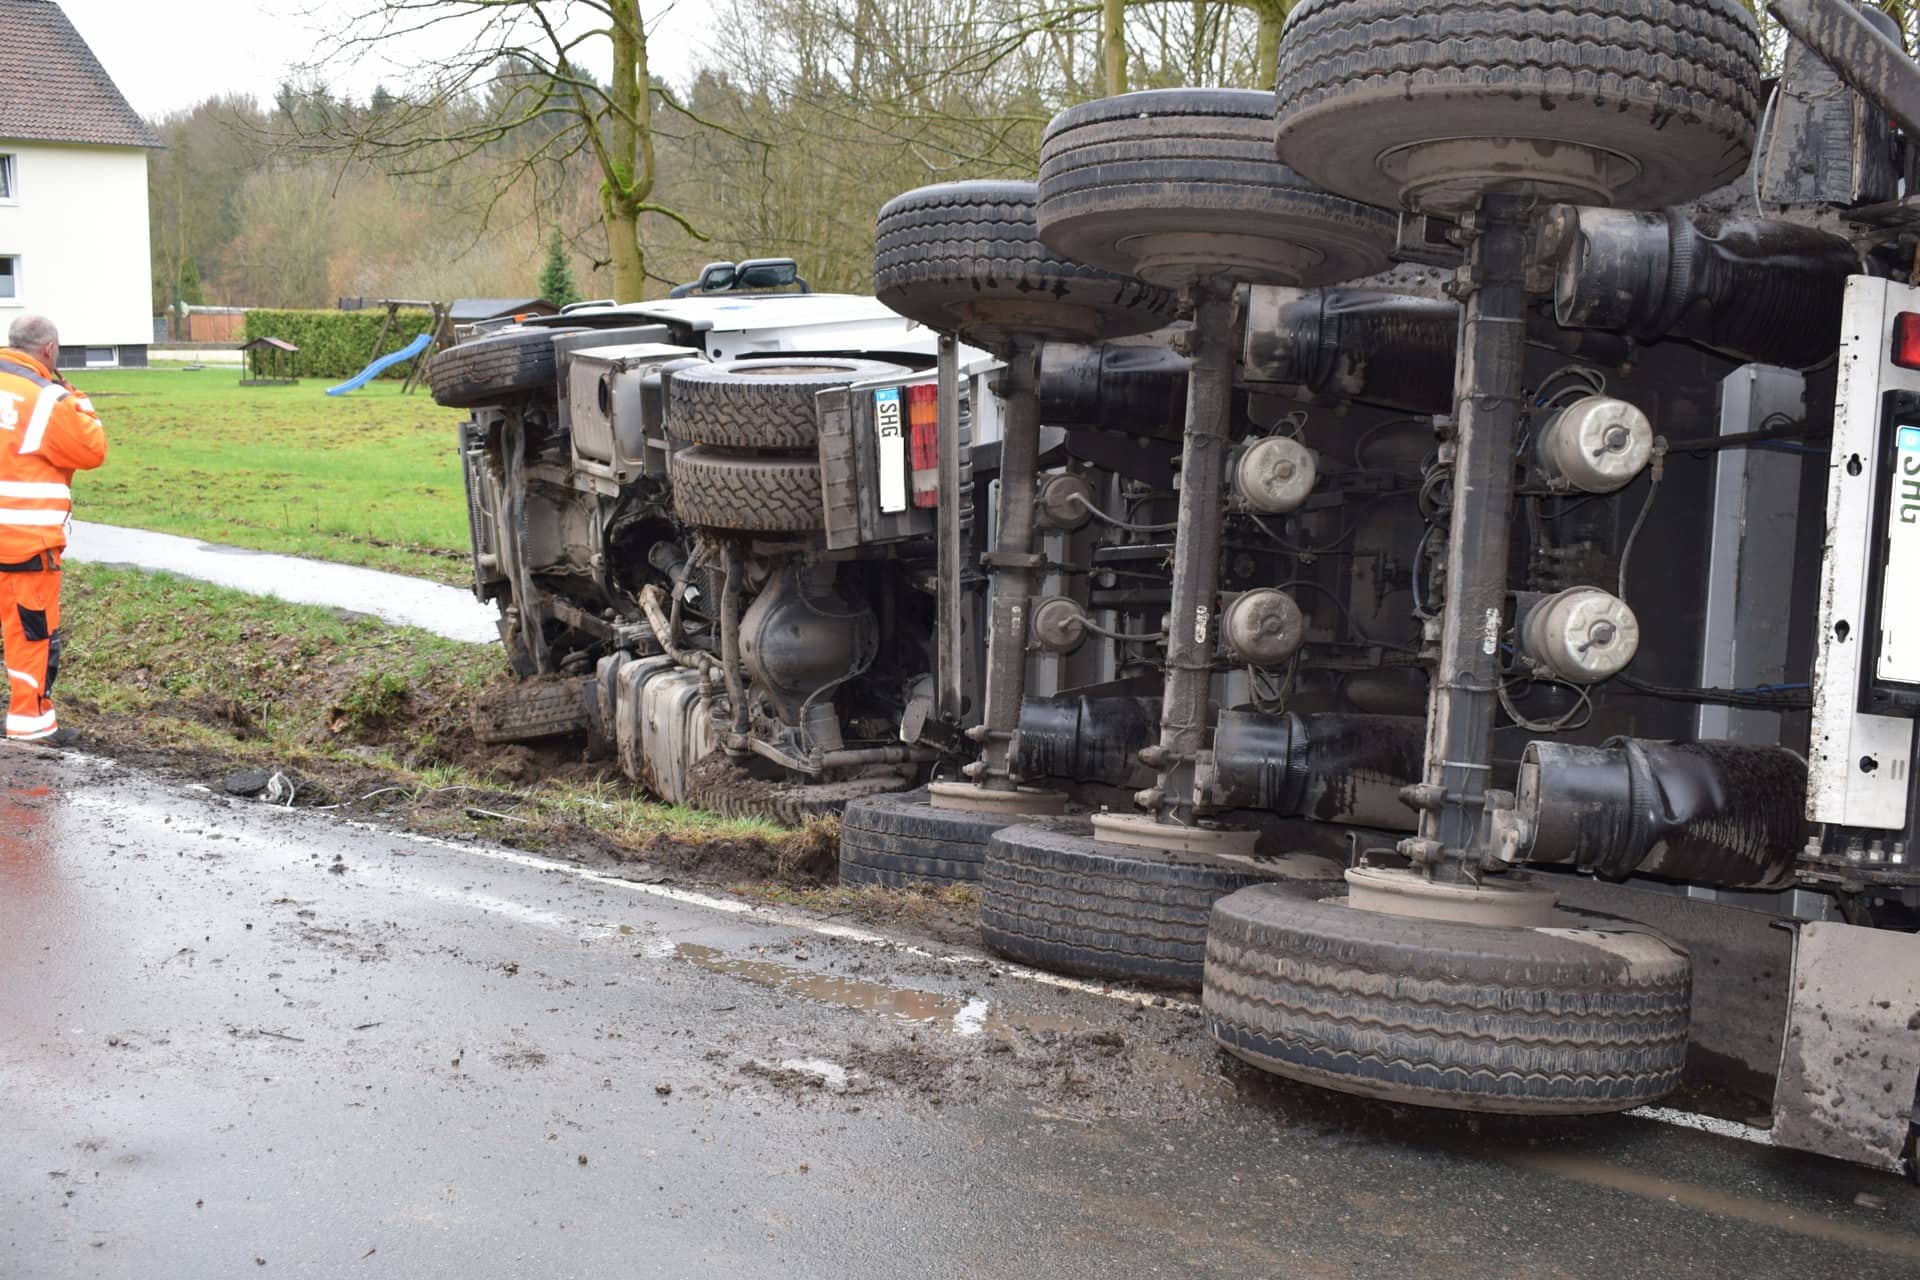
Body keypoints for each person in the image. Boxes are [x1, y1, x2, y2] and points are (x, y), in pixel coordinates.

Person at [0, 314, 106, 745]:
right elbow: (92, 448)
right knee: (32, 637)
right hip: (26, 546)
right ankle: (32, 728)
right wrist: (74, 396)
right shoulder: (48, 400)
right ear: (49, 351)